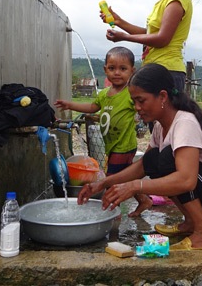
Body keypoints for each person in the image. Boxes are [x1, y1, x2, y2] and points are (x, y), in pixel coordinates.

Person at [78, 63, 202, 251]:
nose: (137, 107)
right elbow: (143, 166)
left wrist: (134, 186)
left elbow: (186, 181)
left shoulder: (185, 123)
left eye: (141, 100)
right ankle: (192, 222)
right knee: (156, 159)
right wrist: (104, 183)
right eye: (134, 102)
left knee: (169, 161)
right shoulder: (160, 126)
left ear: (162, 96)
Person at [54, 46, 152, 217]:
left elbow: (143, 105)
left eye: (123, 69)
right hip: (112, 145)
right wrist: (70, 105)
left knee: (111, 180)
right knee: (125, 176)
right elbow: (91, 108)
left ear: (132, 71)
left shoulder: (130, 93)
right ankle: (144, 200)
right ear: (105, 69)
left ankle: (114, 212)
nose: (117, 73)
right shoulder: (105, 94)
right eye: (112, 68)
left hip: (123, 145)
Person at [100, 0, 197, 93]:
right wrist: (119, 22)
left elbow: (162, 38)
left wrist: (125, 37)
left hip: (167, 71)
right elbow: (150, 33)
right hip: (158, 68)